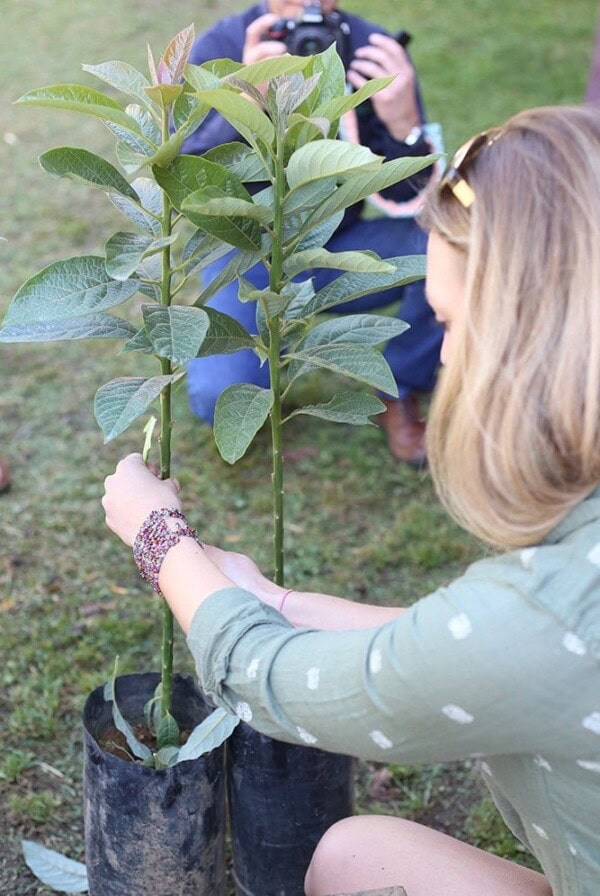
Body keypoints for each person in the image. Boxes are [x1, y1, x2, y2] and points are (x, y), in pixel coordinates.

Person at [102, 104, 600, 895]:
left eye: (447, 321)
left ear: (525, 336)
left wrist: (160, 539)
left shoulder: (555, 616)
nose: (442, 355)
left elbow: (272, 679)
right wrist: (272, 595)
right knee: (352, 854)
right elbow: (457, 650)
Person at [182, 0, 443, 467]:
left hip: (336, 250)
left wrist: (405, 125)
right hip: (244, 257)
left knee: (450, 242)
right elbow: (187, 178)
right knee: (216, 403)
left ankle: (400, 386)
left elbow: (414, 191)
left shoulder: (375, 48)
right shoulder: (223, 47)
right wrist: (239, 108)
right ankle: (263, 336)